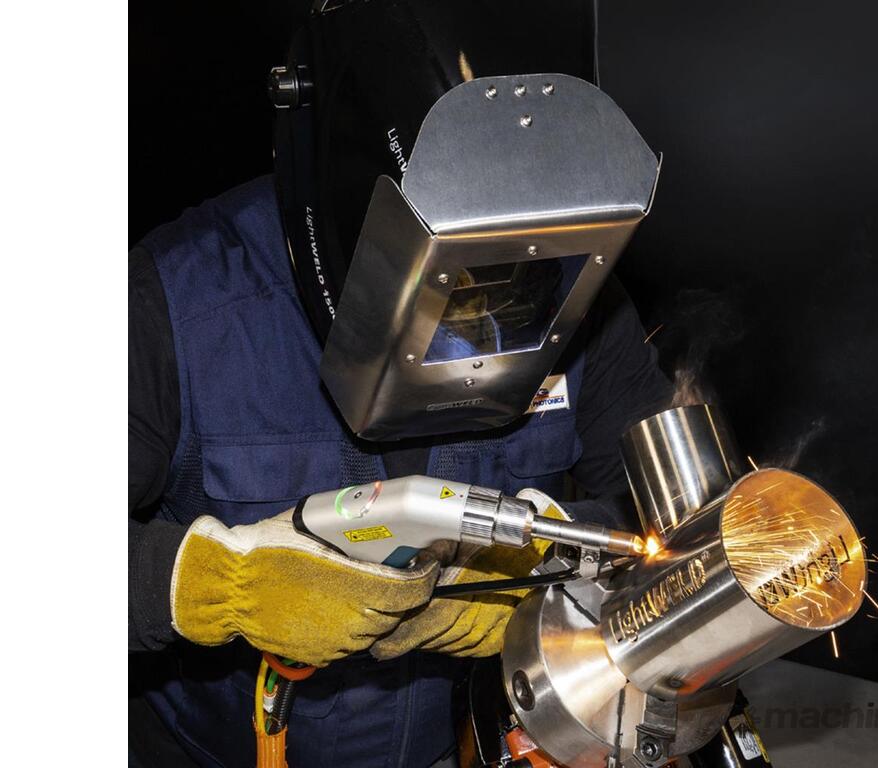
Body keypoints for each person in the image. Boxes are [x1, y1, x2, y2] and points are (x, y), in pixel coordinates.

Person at [129, 2, 672, 766]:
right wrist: (215, 583)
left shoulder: (576, 288)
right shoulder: (176, 301)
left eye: (523, 273)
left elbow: (670, 527)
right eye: (462, 273)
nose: (490, 306)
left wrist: (552, 565)